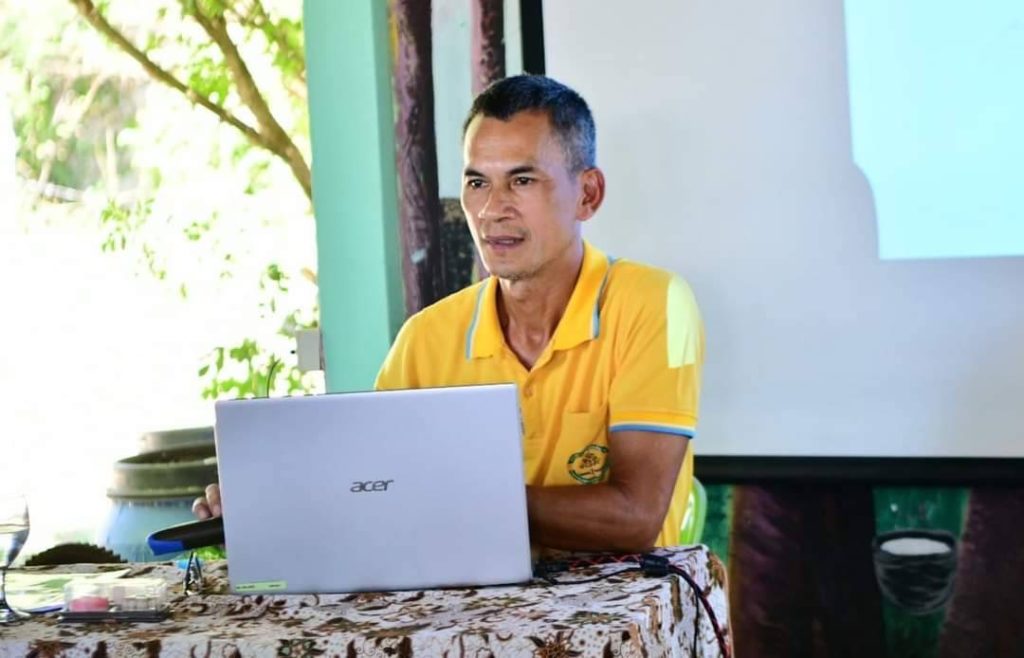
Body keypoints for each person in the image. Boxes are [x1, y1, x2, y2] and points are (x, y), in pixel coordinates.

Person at [195, 74, 703, 552]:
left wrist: (456, 501)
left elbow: (637, 517)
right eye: (477, 183)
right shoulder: (426, 338)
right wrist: (271, 501)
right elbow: (369, 489)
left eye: (522, 181)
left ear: (587, 194)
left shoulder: (655, 304)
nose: (490, 210)